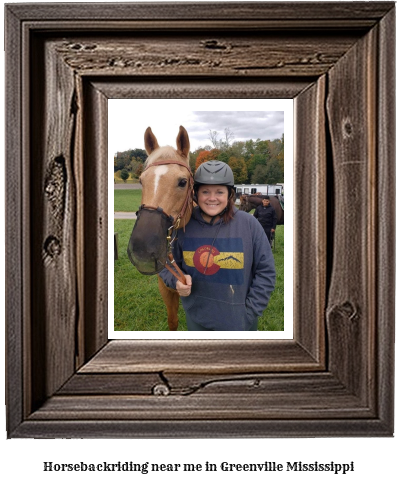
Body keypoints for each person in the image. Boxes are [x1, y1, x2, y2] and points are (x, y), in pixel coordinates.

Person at [159, 160, 276, 331]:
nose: (212, 198)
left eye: (219, 192)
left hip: (241, 322)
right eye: (205, 191)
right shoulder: (183, 227)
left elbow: (266, 271)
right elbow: (166, 264)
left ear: (230, 195)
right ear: (195, 194)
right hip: (197, 320)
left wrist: (250, 312)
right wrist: (175, 281)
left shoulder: (249, 224)